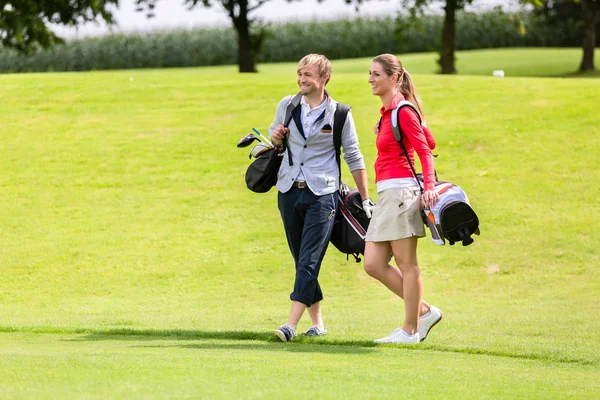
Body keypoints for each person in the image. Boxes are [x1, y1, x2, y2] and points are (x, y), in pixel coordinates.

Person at [268, 54, 374, 342]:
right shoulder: (287, 105)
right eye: (299, 74)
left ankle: (290, 325)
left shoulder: (340, 113)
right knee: (300, 257)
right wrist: (276, 136)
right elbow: (273, 136)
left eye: (308, 75)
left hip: (323, 195)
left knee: (310, 258)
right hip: (288, 190)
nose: (302, 80)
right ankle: (318, 323)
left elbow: (354, 156)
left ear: (324, 78)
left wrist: (366, 200)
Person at [363, 53, 443, 344]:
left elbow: (426, 149)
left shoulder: (402, 110)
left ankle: (410, 330)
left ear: (393, 78)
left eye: (376, 74)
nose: (370, 79)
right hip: (387, 194)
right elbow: (428, 139)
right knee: (372, 263)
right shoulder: (388, 112)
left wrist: (429, 186)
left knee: (406, 263)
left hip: (402, 193)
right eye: (369, 74)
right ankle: (424, 311)